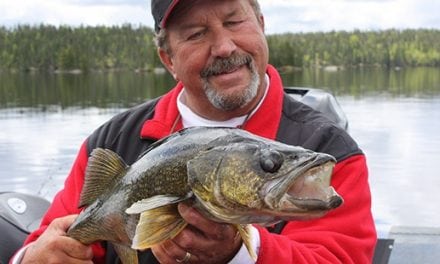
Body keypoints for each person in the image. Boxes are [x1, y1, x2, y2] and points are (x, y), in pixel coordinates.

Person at [12, 0, 377, 263]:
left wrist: (240, 253)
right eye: (197, 34)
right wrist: (31, 258)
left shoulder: (328, 150)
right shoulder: (111, 141)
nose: (223, 47)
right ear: (168, 59)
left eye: (234, 22)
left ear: (261, 25)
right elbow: (51, 239)